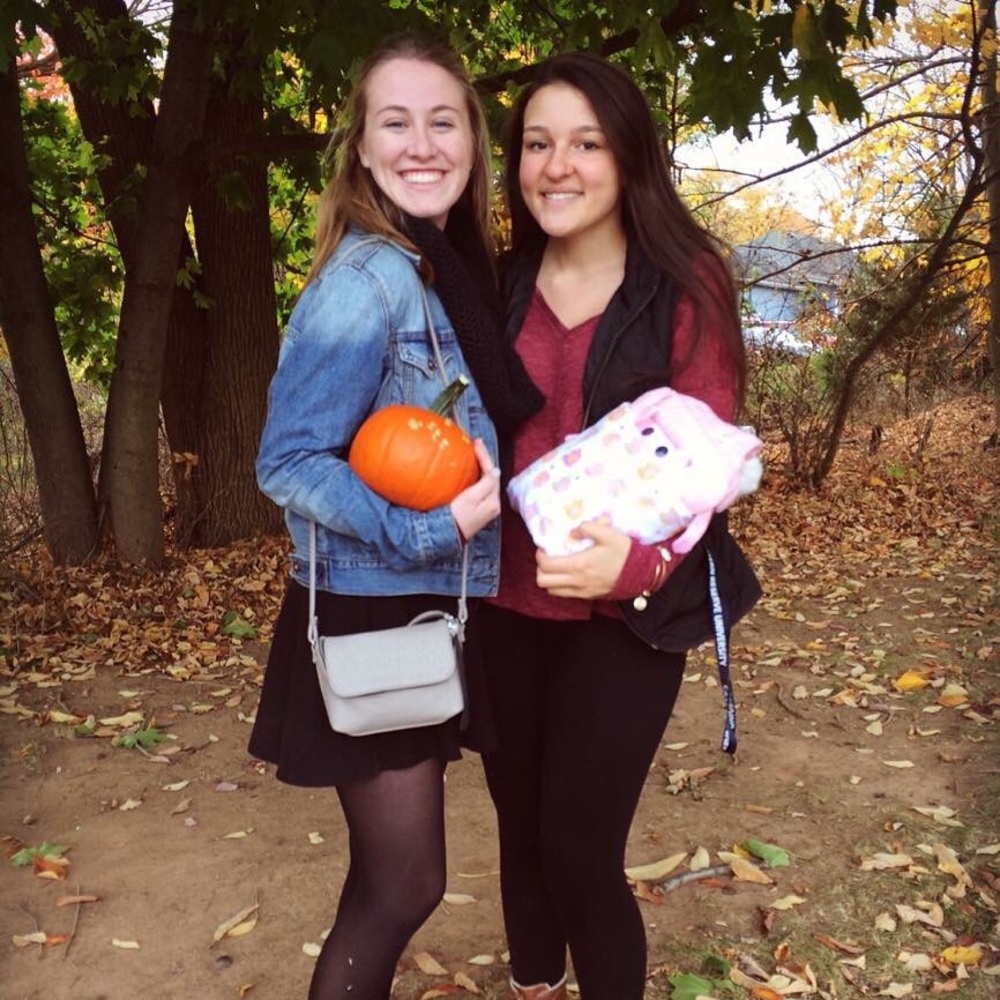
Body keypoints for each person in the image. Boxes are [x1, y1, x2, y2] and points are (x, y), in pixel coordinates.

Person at [249, 33, 541, 1000]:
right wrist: (430, 531)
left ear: (472, 144)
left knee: (388, 876)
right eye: (396, 123)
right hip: (376, 608)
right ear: (364, 151)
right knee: (408, 883)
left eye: (443, 120)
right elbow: (287, 461)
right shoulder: (366, 282)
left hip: (422, 606)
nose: (422, 144)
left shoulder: (446, 269)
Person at [479, 52, 761, 1000]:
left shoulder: (686, 285)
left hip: (628, 616)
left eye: (586, 143)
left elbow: (713, 462)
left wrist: (635, 566)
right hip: (505, 603)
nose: (557, 166)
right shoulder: (498, 284)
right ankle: (535, 988)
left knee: (576, 847)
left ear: (629, 158)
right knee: (518, 831)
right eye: (537, 143)